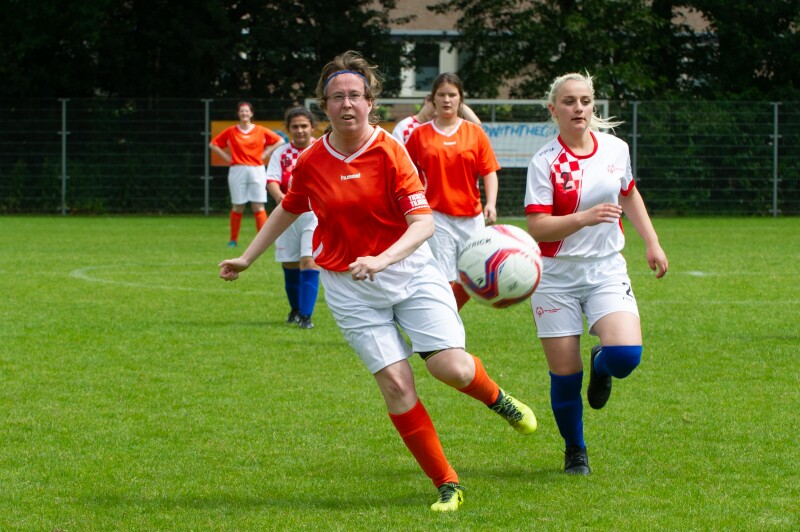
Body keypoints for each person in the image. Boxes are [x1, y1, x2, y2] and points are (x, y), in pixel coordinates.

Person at [219, 51, 537, 512]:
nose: (346, 104)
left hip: (410, 273)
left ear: (370, 102)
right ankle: (447, 483)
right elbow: (290, 206)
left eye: (355, 95)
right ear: (324, 106)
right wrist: (248, 257)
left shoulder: (391, 150)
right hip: (350, 286)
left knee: (451, 368)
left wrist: (382, 258)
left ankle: (498, 399)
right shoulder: (310, 160)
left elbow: (423, 223)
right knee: (395, 383)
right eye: (336, 97)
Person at [524, 72, 668, 475]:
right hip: (554, 276)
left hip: (606, 269)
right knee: (566, 373)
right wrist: (584, 217)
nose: (579, 109)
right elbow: (536, 227)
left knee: (625, 357)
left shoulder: (615, 149)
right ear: (554, 109)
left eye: (585, 101)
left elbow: (629, 192)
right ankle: (576, 450)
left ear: (593, 106)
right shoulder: (544, 162)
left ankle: (601, 362)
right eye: (569, 102)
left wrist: (652, 242)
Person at [404, 73, 500, 310]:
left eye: (452, 95)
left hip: (472, 215)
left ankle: (447, 315)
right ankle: (444, 325)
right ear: (432, 100)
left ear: (460, 99)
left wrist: (491, 204)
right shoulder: (419, 134)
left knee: (476, 274)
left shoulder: (475, 133)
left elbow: (489, 171)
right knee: (443, 276)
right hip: (436, 215)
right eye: (441, 95)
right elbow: (406, 174)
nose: (447, 100)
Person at [266, 107, 320, 329]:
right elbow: (271, 180)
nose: (300, 131)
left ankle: (306, 316)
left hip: (314, 215)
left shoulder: (321, 148)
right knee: (289, 263)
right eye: (295, 127)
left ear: (312, 127)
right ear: (287, 129)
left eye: (304, 126)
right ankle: (295, 310)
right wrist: (281, 197)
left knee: (309, 261)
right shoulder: (281, 153)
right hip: (288, 215)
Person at [210, 101, 285, 247]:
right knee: (238, 206)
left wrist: (266, 153)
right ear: (238, 114)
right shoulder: (231, 131)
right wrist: (227, 158)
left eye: (247, 111)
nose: (244, 114)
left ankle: (263, 241)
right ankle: (233, 240)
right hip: (237, 170)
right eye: (242, 111)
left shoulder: (260, 130)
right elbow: (213, 144)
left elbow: (280, 140)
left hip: (257, 169)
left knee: (258, 206)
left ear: (251, 113)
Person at [392, 95, 483, 145]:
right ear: (428, 100)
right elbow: (397, 154)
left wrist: (457, 102)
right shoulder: (405, 126)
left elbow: (477, 125)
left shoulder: (442, 127)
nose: (436, 113)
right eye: (435, 106)